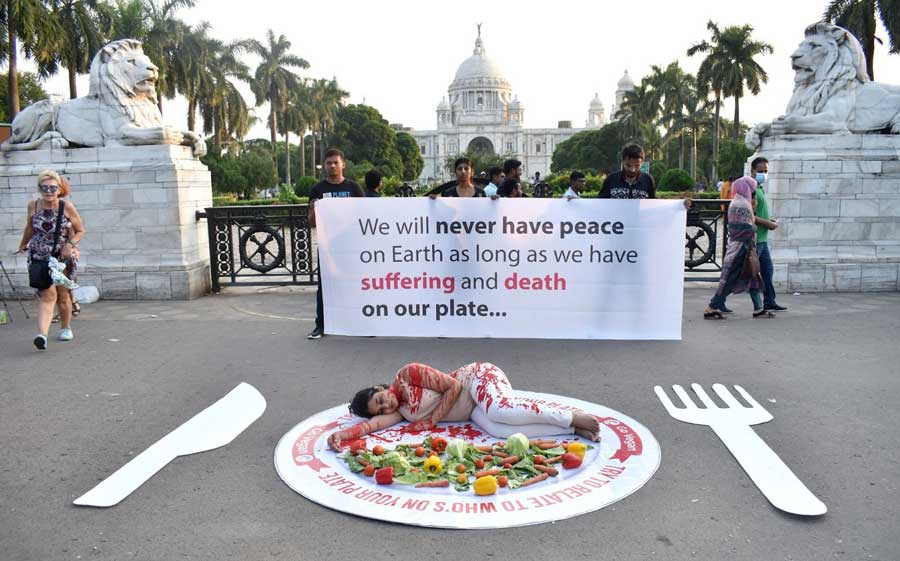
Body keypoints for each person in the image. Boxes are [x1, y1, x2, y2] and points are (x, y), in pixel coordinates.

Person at [326, 362, 601, 450]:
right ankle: (572, 431)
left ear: (380, 388)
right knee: (500, 432)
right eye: (382, 409)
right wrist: (343, 436)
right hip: (471, 411)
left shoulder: (407, 375)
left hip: (477, 379)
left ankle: (569, 416)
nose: (386, 407)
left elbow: (454, 387)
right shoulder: (400, 411)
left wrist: (432, 420)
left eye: (380, 400)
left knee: (499, 411)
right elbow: (370, 426)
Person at [18, 170, 85, 349]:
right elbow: (29, 228)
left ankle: (66, 327)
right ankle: (42, 335)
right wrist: (23, 244)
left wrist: (70, 244)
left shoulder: (67, 207)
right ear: (39, 189)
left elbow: (80, 230)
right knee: (47, 295)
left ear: (59, 189)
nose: (49, 191)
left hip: (61, 257)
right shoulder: (33, 205)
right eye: (44, 187)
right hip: (39, 256)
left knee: (62, 296)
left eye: (53, 188)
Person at [307, 149, 365, 340]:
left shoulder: (354, 188)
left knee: (356, 284)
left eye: (335, 162)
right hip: (328, 246)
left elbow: (364, 216)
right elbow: (312, 222)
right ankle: (320, 325)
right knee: (325, 286)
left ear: (343, 164)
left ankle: (361, 324)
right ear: (324, 166)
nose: (332, 166)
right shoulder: (317, 190)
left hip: (351, 245)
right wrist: (315, 208)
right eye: (328, 163)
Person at [703, 176, 774, 320]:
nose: (754, 193)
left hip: (741, 246)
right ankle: (711, 307)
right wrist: (754, 224)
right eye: (752, 190)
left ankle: (758, 309)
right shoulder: (742, 205)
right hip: (741, 248)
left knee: (753, 275)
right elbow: (746, 228)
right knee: (730, 279)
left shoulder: (737, 202)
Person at [751, 157, 787, 312]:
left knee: (767, 271)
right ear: (752, 171)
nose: (764, 174)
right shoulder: (750, 188)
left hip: (763, 238)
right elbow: (749, 214)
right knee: (747, 274)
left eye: (766, 171)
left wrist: (768, 220)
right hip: (755, 238)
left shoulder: (759, 187)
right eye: (760, 171)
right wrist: (768, 223)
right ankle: (717, 302)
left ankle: (769, 301)